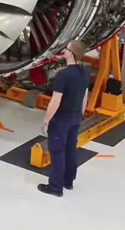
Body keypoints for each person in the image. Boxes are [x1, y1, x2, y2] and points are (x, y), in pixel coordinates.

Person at [37, 41, 90, 197]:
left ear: (70, 54)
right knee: (71, 149)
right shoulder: (85, 73)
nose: (64, 51)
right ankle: (68, 181)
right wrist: (80, 115)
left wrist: (46, 121)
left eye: (66, 49)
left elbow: (55, 101)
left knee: (57, 151)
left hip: (61, 119)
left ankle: (55, 187)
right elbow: (85, 97)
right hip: (75, 117)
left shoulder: (64, 75)